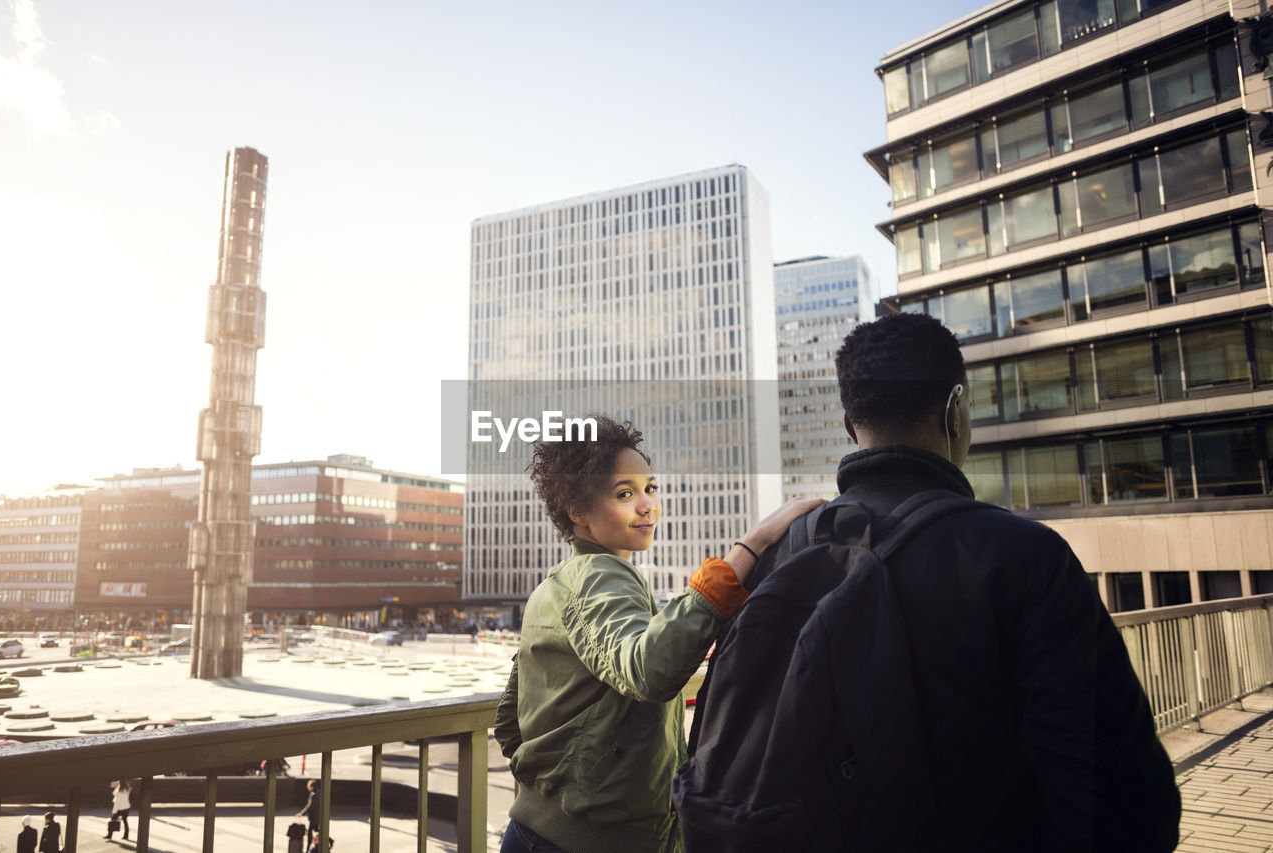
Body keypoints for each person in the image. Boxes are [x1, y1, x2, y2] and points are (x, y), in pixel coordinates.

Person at [733, 313, 1181, 850]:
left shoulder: (780, 550)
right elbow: (1123, 798)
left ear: (850, 425)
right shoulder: (1025, 557)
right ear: (955, 410)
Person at [494, 416, 822, 853]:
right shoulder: (598, 575)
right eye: (624, 494)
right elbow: (650, 668)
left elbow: (509, 723)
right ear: (577, 511)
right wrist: (752, 546)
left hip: (543, 834)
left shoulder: (558, 583)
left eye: (650, 488)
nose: (647, 505)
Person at [295, 779, 322, 849]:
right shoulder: (319, 792)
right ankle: (315, 848)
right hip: (319, 817)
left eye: (308, 785)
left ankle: (309, 849)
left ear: (312, 787)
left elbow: (309, 806)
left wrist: (301, 813)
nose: (307, 786)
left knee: (311, 835)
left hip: (314, 818)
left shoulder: (312, 794)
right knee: (316, 833)